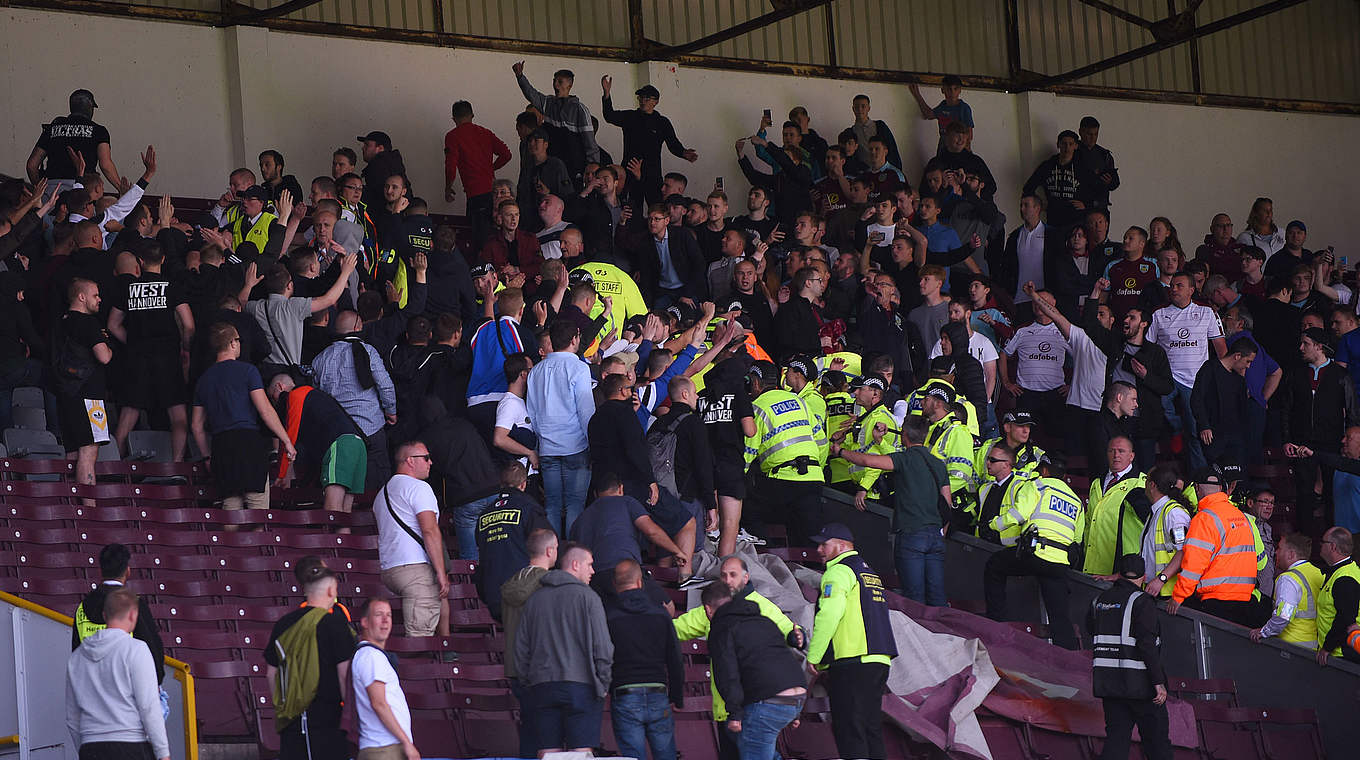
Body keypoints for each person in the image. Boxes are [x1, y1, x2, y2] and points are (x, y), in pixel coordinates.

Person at [837, 415, 952, 605]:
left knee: (914, 598)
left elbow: (868, 461)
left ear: (904, 435)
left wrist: (840, 451)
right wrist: (941, 534)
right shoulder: (938, 464)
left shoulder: (903, 459)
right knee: (937, 598)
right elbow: (947, 505)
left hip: (911, 533)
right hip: (935, 536)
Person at [806, 523, 897, 760]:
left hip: (852, 660)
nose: (819, 549)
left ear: (842, 545)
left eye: (824, 544)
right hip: (879, 659)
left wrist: (814, 655)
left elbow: (829, 615)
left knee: (849, 729)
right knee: (870, 728)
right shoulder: (869, 572)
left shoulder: (838, 572)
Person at [514, 542, 614, 755]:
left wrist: (528, 682)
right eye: (590, 564)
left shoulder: (534, 600)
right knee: (581, 752)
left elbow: (521, 648)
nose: (593, 571)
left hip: (541, 685)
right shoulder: (589, 597)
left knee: (548, 753)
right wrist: (603, 682)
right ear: (575, 565)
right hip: (582, 686)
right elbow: (603, 647)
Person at [984, 452, 1085, 650]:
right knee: (1059, 616)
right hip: (1059, 563)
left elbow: (1019, 514)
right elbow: (1077, 540)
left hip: (1035, 554)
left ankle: (996, 625)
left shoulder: (1038, 484)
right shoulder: (1076, 501)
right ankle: (1069, 659)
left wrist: (994, 524)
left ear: (1045, 471)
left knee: (994, 566)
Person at [107, 240, 195, 461]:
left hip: (137, 358)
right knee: (178, 415)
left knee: (129, 414)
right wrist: (186, 349)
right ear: (163, 260)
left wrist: (134, 342)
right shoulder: (171, 286)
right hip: (168, 358)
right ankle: (176, 466)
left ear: (140, 262)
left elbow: (112, 325)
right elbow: (189, 324)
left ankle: (114, 466)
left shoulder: (128, 288)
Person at [192, 323, 296, 509]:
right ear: (232, 343)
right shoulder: (248, 371)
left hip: (221, 446)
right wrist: (286, 440)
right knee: (257, 512)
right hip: (248, 443)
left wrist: (207, 456)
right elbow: (265, 410)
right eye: (239, 340)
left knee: (231, 510)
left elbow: (197, 426)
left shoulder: (203, 380)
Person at [703, 582, 809, 760]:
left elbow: (727, 674)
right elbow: (783, 660)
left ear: (708, 609)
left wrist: (734, 713)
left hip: (768, 702)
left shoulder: (721, 628)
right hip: (796, 695)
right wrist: (794, 712)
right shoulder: (763, 621)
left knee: (753, 745)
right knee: (747, 740)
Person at [264, 561, 357, 760]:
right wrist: (352, 718)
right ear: (331, 591)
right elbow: (344, 675)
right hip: (328, 719)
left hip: (290, 720)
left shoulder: (283, 624)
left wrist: (285, 706)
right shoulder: (336, 624)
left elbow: (271, 673)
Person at [65, 589, 170, 760]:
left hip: (90, 747)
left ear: (104, 615)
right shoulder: (137, 650)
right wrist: (163, 753)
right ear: (132, 615)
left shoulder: (76, 658)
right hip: (131, 746)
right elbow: (148, 707)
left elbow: (72, 718)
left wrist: (86, 746)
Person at [1088, 554, 1172, 760]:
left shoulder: (1098, 601)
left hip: (1109, 684)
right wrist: (1158, 682)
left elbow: (1091, 630)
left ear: (1119, 575)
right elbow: (1146, 645)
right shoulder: (1142, 602)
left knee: (1116, 741)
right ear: (1143, 577)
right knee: (1157, 743)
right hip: (1141, 685)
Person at [1167, 465, 1266, 627]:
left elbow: (1194, 564)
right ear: (1221, 488)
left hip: (1217, 601)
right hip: (1246, 599)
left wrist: (1178, 596)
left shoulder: (1204, 519)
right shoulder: (1241, 516)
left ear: (1197, 488)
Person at [1146, 272, 1226, 471]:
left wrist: (1222, 378)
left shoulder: (1207, 312)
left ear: (1192, 290)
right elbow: (1148, 348)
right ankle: (1176, 429)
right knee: (1162, 408)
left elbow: (1220, 347)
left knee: (1196, 431)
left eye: (1179, 285)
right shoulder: (1158, 313)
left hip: (1196, 381)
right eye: (1172, 285)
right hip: (1168, 377)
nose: (1173, 289)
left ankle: (1199, 477)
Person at [605, 560, 683, 760]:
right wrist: (677, 696)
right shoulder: (660, 614)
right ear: (640, 583)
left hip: (624, 694)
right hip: (658, 692)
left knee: (632, 757)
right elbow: (674, 658)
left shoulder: (608, 616)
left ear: (615, 585)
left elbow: (602, 656)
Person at [570, 472, 691, 597]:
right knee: (666, 606)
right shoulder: (627, 502)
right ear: (621, 488)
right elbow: (652, 532)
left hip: (595, 580)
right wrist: (677, 551)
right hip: (627, 573)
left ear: (595, 494)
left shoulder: (580, 519)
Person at [527, 319, 597, 535]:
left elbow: (533, 413)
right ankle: (571, 562)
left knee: (552, 506)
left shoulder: (536, 371)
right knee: (575, 505)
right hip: (576, 446)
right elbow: (586, 412)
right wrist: (594, 444)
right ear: (575, 339)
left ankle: (552, 557)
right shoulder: (579, 368)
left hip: (547, 448)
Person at [374, 440, 449, 638]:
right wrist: (441, 572)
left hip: (390, 569)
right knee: (419, 640)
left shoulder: (382, 493)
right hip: (415, 570)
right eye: (425, 458)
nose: (430, 462)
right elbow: (430, 531)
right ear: (410, 461)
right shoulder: (419, 488)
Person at [746, 360, 825, 546]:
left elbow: (748, 452)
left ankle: (771, 557)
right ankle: (808, 571)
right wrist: (817, 470)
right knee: (809, 541)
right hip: (813, 479)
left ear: (756, 383)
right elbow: (821, 441)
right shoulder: (800, 402)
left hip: (780, 481)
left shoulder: (756, 407)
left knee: (749, 512)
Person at [72, 544, 166, 691]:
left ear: (100, 571)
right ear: (128, 571)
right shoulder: (133, 604)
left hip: (92, 690)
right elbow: (152, 649)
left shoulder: (82, 607)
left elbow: (76, 652)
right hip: (126, 690)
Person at [270, 373, 368, 513]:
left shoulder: (297, 395)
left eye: (272, 397)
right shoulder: (316, 396)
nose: (274, 405)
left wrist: (281, 475)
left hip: (341, 445)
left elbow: (289, 438)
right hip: (358, 445)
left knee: (332, 512)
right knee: (345, 514)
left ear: (280, 387)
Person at [499, 529, 558, 758]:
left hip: (515, 667)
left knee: (529, 731)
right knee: (547, 735)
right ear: (550, 550)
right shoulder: (548, 583)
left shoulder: (513, 581)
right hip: (540, 669)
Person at [53, 278, 113, 490]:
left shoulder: (60, 322)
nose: (99, 299)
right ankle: (89, 509)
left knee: (71, 453)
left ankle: (72, 509)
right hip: (90, 396)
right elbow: (104, 357)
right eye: (95, 295)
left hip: (65, 394)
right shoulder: (88, 323)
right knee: (89, 451)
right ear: (81, 297)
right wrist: (107, 343)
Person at [601, 78, 698, 204]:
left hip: (652, 172)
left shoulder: (662, 122)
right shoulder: (630, 117)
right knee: (630, 208)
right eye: (640, 98)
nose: (643, 101)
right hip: (630, 168)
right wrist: (607, 93)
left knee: (656, 205)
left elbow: (673, 144)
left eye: (647, 99)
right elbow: (609, 116)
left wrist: (684, 153)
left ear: (655, 102)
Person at [351, 598, 419, 760]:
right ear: (365, 622)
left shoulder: (370, 655)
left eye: (388, 615)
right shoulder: (371, 656)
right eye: (379, 615)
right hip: (384, 748)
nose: (385, 620)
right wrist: (406, 742)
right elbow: (379, 703)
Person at [1083, 436, 1149, 576]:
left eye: (1121, 451)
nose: (1116, 455)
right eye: (1111, 451)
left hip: (1123, 568)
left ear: (1131, 456)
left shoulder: (1142, 483)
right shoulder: (1096, 483)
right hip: (1090, 564)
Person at [1001, 289, 1069, 424]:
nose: (1038, 304)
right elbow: (1003, 354)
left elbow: (1081, 358)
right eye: (1035, 301)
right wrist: (1006, 382)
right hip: (1026, 394)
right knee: (1025, 435)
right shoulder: (1022, 330)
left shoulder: (1064, 331)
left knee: (1055, 438)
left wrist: (1073, 385)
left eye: (1042, 301)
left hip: (1055, 394)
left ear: (1054, 303)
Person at [1190, 337, 1257, 466]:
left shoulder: (1238, 378)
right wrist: (1204, 425)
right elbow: (1196, 398)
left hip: (1235, 436)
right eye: (1247, 361)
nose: (1248, 366)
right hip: (1214, 434)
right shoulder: (1210, 369)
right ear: (1237, 356)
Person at [1250, 533, 1323, 650]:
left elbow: (1284, 615)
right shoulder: (1317, 573)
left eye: (1279, 548)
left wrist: (1264, 632)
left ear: (1291, 554)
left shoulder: (1288, 579)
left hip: (1290, 646)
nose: (1276, 552)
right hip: (1313, 644)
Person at [1138, 464, 1193, 600]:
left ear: (1152, 485)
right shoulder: (1157, 512)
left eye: (1146, 479)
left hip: (1169, 593)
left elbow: (1184, 551)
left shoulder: (1174, 513)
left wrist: (1161, 579)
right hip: (1156, 591)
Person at [1316, 527, 1360, 664]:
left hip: (1342, 654)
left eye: (1322, 542)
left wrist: (1327, 647)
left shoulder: (1345, 578)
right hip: (1339, 651)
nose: (1320, 546)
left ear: (1333, 547)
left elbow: (1345, 618)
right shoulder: (1346, 570)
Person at [1076, 115, 1120, 209]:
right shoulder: (1072, 152)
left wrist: (1110, 181)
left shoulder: (1104, 155)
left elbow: (1115, 182)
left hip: (1099, 206)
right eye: (1089, 134)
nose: (1093, 138)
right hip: (1079, 204)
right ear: (1081, 132)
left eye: (1096, 134)